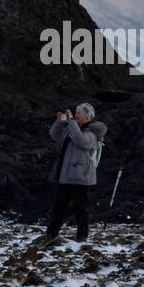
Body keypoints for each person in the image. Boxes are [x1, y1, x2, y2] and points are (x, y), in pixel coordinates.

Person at [46, 102, 106, 243]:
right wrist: (59, 122)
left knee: (80, 208)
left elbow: (81, 141)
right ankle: (51, 233)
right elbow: (54, 135)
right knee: (58, 206)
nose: (76, 115)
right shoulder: (72, 129)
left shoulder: (92, 133)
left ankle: (82, 236)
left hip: (81, 177)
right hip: (66, 175)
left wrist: (71, 122)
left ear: (86, 116)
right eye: (76, 113)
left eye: (79, 113)